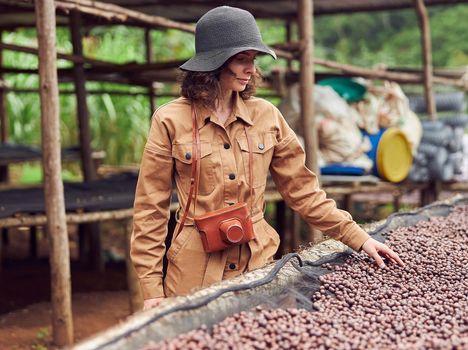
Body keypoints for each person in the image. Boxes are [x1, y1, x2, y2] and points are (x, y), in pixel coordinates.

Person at [131, 6, 404, 311]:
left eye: (253, 59)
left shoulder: (267, 116)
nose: (251, 69)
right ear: (213, 64)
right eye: (241, 59)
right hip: (194, 271)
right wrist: (152, 288)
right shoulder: (170, 119)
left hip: (257, 265)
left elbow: (303, 190)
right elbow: (150, 210)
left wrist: (358, 237)